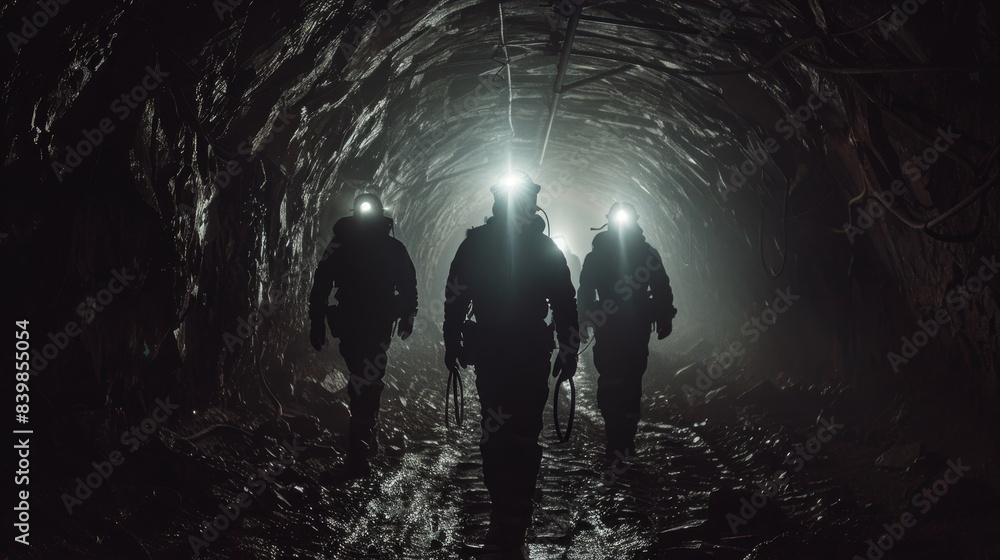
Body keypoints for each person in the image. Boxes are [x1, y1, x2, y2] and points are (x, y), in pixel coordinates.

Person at [444, 170, 579, 556]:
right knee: (514, 433)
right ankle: (509, 520)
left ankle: (508, 522)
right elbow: (565, 304)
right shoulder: (540, 248)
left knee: (504, 432)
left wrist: (452, 342)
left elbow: (455, 299)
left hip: (500, 353)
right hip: (521, 353)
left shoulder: (478, 245)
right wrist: (567, 349)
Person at [308, 193, 418, 476]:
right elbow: (321, 283)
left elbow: (408, 285)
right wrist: (316, 321)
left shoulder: (391, 248)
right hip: (356, 321)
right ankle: (364, 438)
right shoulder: (343, 246)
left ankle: (360, 448)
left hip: (375, 322)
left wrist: (408, 316)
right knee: (365, 377)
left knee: (366, 377)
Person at [577, 202, 676, 460]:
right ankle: (616, 435)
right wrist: (583, 318)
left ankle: (624, 437)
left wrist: (665, 316)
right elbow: (586, 290)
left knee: (629, 379)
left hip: (627, 327)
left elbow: (662, 287)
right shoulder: (605, 255)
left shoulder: (640, 254)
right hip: (620, 327)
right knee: (615, 378)